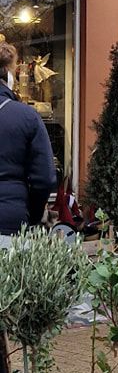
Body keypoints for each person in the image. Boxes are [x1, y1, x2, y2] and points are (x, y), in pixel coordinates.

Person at [0, 42, 56, 246]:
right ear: (9, 76)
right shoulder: (27, 117)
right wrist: (33, 213)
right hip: (10, 221)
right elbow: (45, 179)